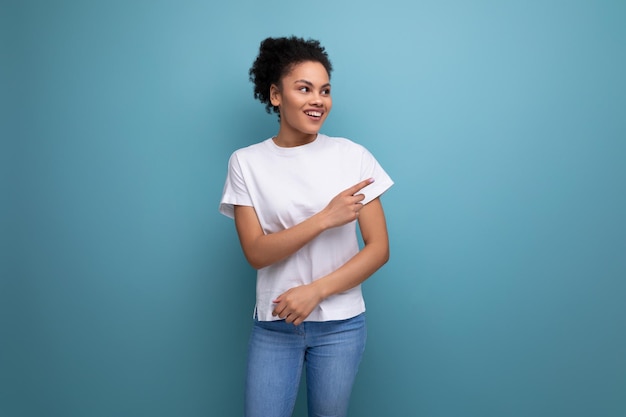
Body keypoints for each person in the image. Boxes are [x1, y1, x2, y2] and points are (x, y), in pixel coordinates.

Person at [219, 36, 394, 417]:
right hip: (275, 324)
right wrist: (324, 219)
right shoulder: (246, 163)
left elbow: (379, 248)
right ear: (276, 95)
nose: (318, 99)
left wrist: (316, 291)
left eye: (325, 90)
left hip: (341, 325)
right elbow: (256, 252)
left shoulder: (353, 156)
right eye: (304, 88)